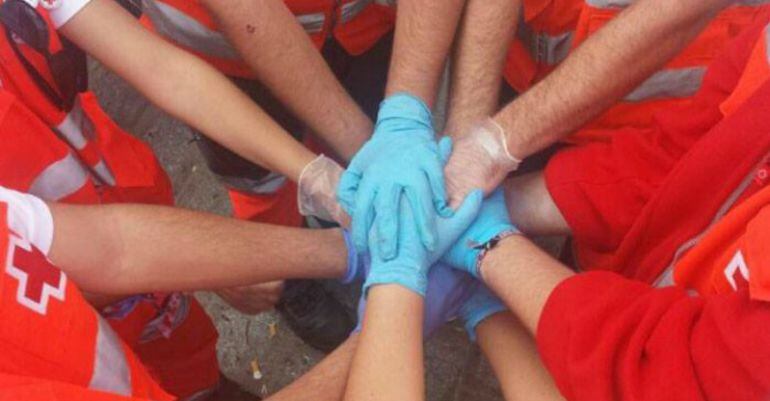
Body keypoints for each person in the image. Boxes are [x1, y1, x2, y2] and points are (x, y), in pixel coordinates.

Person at [0, 0, 348, 396]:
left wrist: (313, 176)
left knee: (197, 373)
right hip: (76, 315)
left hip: (131, 248)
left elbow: (164, 72)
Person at [436, 12, 770, 400]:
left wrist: (488, 247)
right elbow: (680, 155)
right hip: (634, 289)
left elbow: (669, 379)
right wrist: (503, 204)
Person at [137, 0, 396, 348]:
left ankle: (357, 220)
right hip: (226, 60)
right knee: (259, 182)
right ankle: (290, 277)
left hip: (360, 27)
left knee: (368, 127)